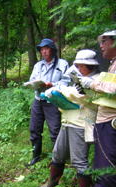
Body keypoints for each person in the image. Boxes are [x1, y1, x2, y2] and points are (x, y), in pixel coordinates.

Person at [39, 49, 99, 187]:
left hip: (81, 123)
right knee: (58, 153)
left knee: (79, 160)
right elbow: (72, 92)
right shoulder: (80, 78)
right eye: (77, 66)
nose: (78, 69)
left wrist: (62, 92)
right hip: (67, 121)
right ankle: (53, 181)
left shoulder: (95, 80)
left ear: (89, 65)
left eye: (81, 66)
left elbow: (82, 98)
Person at [79, 30, 116, 187]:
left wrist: (92, 84)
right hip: (104, 121)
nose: (101, 45)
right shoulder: (112, 64)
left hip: (111, 123)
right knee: (103, 168)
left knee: (107, 171)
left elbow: (114, 89)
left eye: (105, 41)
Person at [27, 38, 69, 166]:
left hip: (53, 101)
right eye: (41, 49)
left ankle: (57, 159)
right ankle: (36, 155)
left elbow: (67, 82)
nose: (44, 52)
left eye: (46, 48)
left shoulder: (62, 64)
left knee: (55, 130)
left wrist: (53, 85)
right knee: (34, 129)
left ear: (52, 50)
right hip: (38, 99)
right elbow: (32, 79)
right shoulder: (38, 65)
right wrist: (35, 84)